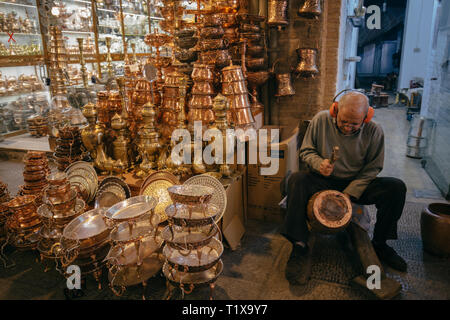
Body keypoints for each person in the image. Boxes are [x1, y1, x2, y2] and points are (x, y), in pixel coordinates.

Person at [280, 90, 407, 272]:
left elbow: (373, 167)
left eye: (354, 124)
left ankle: (380, 243)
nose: (347, 127)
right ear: (335, 111)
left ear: (366, 117)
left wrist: (350, 193)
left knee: (395, 188)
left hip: (356, 184)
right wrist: (319, 163)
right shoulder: (321, 120)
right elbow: (306, 151)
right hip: (324, 180)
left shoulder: (374, 131)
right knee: (296, 180)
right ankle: (299, 243)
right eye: (343, 121)